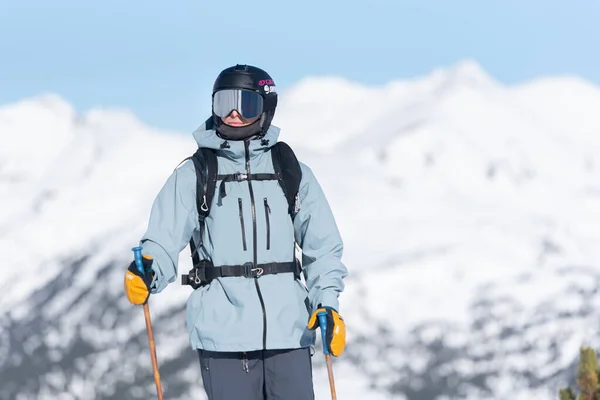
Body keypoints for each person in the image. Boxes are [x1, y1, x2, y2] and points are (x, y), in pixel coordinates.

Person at [123, 64, 348, 400]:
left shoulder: (289, 170)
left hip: (290, 333)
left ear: (265, 109)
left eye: (246, 104)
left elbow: (323, 248)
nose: (233, 113)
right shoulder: (195, 174)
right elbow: (162, 239)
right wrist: (148, 270)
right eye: (224, 102)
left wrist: (327, 304)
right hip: (223, 336)